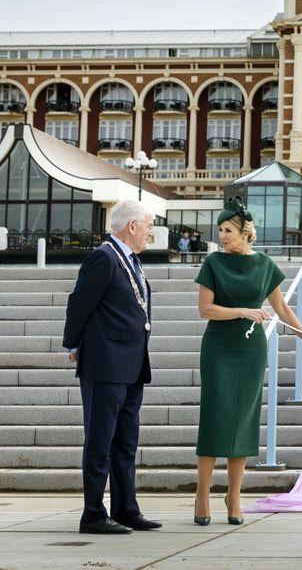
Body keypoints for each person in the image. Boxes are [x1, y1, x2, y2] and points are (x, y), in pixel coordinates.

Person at [192, 197, 302, 526]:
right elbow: (205, 310)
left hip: (250, 351)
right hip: (219, 347)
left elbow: (281, 309)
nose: (222, 236)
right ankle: (202, 492)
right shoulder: (213, 263)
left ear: (244, 233)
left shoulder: (264, 265)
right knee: (215, 416)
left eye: (228, 230)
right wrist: (243, 311)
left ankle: (234, 495)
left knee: (243, 419)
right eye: (220, 230)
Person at [62, 199, 161, 535]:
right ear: (131, 226)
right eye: (148, 225)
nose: (151, 231)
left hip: (132, 364)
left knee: (125, 443)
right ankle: (92, 513)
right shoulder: (103, 257)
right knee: (100, 442)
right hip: (105, 364)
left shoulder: (130, 260)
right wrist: (73, 344)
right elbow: (79, 302)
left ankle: (125, 509)